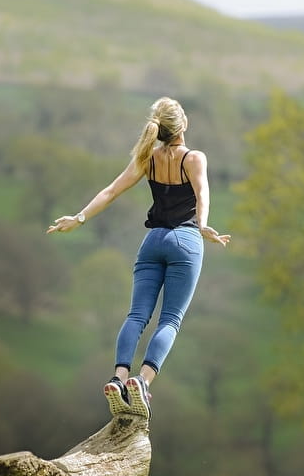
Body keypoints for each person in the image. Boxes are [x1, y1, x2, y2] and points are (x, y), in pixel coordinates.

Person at [47, 96, 230, 419]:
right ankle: (142, 382)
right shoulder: (194, 158)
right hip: (185, 241)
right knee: (170, 319)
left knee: (136, 316)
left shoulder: (149, 158)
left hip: (152, 242)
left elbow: (111, 191)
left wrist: (79, 219)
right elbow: (202, 193)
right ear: (183, 125)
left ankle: (118, 378)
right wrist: (202, 226)